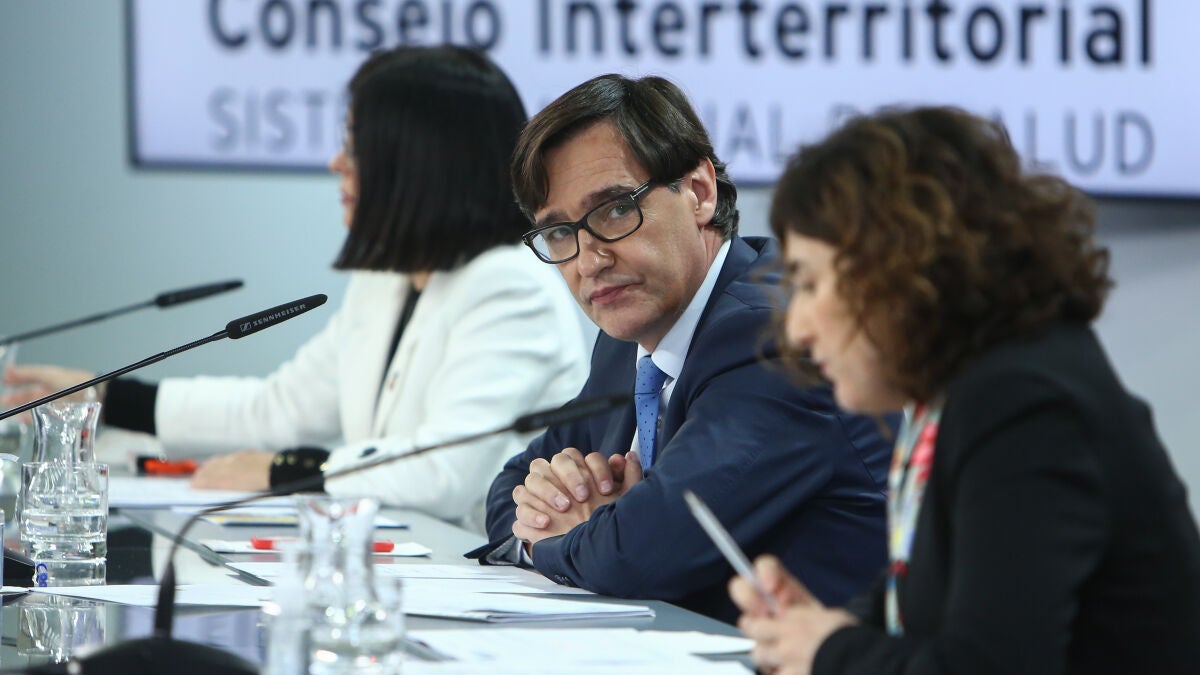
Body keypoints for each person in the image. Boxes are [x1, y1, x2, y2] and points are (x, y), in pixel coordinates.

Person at [3, 46, 588, 533]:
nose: (336, 163)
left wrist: (283, 470)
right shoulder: (387, 280)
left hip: (480, 586)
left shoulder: (509, 287)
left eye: (354, 146)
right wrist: (106, 396)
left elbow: (440, 474)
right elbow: (278, 408)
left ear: (417, 163)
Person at [731, 106, 1200, 674]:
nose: (798, 328)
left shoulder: (1024, 403)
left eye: (809, 283)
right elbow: (934, 610)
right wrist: (821, 627)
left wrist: (830, 651)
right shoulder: (967, 389)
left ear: (902, 266)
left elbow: (988, 665)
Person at [471, 73, 895, 624]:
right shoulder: (627, 338)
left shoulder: (772, 337)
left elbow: (637, 555)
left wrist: (575, 534)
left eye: (615, 209)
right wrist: (570, 525)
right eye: (559, 232)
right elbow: (510, 488)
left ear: (699, 192)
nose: (589, 260)